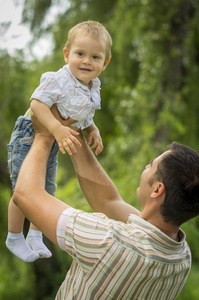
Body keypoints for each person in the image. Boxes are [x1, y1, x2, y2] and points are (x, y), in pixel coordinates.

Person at [12, 109, 199, 299]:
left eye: (151, 166)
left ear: (157, 190)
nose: (145, 167)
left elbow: (26, 194)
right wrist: (72, 132)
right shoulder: (181, 258)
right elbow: (107, 202)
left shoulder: (109, 241)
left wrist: (43, 136)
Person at [6, 20, 112, 262]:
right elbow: (37, 104)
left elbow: (83, 114)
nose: (87, 61)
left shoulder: (92, 87)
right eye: (80, 54)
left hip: (55, 139)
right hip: (29, 134)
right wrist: (55, 128)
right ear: (67, 55)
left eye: (95, 57)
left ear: (105, 63)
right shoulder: (59, 79)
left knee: (47, 189)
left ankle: (35, 234)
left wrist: (92, 130)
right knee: (24, 190)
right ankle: (14, 236)